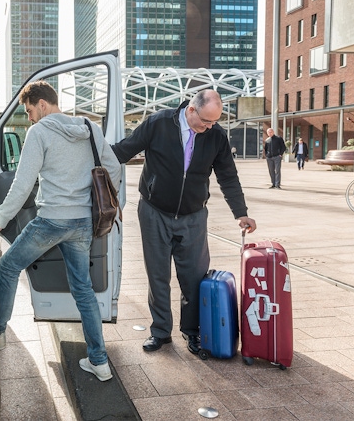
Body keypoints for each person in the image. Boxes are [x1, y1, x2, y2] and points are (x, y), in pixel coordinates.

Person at [0, 80, 122, 382]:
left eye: (30, 110)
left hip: (51, 222)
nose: (30, 117)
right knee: (83, 289)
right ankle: (99, 361)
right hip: (83, 223)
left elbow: (23, 185)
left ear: (43, 104)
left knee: (8, 266)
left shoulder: (39, 132)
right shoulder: (89, 128)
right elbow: (113, 169)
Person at [110, 89, 257, 356]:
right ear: (191, 110)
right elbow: (122, 151)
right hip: (154, 211)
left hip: (193, 217)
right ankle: (160, 332)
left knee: (194, 278)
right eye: (205, 121)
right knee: (158, 275)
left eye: (214, 122)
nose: (209, 127)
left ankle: (192, 333)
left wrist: (241, 212)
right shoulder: (158, 124)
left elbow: (228, 176)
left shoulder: (215, 136)